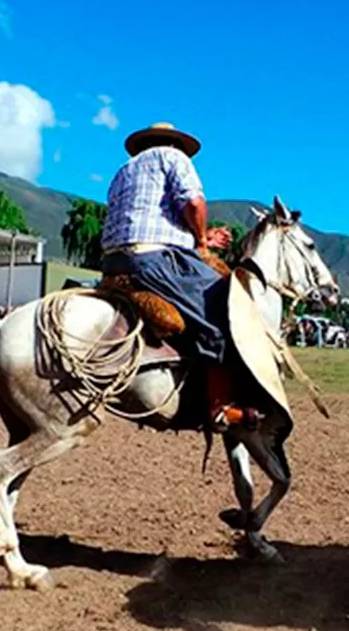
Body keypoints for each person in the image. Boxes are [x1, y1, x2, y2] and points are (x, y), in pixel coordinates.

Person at [100, 121, 250, 431]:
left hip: (114, 262)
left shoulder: (123, 172)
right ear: (176, 144)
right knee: (222, 306)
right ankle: (219, 407)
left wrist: (202, 236)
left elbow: (151, 221)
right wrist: (200, 241)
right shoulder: (174, 158)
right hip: (151, 259)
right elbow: (193, 202)